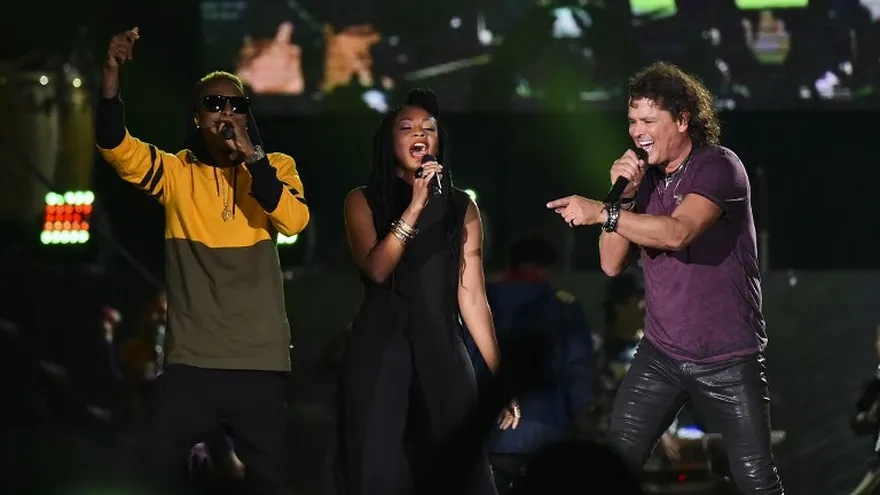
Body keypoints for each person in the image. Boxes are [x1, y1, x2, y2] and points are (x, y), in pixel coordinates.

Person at [546, 61, 784, 493]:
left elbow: (677, 233)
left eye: (649, 121)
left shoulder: (718, 166)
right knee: (613, 468)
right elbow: (611, 264)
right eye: (632, 121)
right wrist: (623, 198)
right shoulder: (644, 180)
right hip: (662, 355)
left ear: (682, 119)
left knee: (756, 481)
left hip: (729, 357)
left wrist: (602, 213)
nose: (638, 132)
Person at [96, 27, 310, 494]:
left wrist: (253, 159)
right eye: (215, 104)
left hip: (258, 364)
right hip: (192, 365)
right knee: (156, 472)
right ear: (197, 118)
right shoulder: (178, 174)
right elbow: (115, 147)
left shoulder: (276, 166)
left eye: (237, 105)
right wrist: (111, 74)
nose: (227, 113)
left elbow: (294, 220)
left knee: (269, 481)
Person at [324, 88, 518, 495]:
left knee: (459, 472)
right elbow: (377, 269)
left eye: (428, 128)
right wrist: (414, 206)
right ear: (388, 141)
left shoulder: (462, 207)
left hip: (442, 352)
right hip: (381, 350)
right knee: (379, 472)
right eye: (407, 127)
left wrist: (500, 377)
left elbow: (472, 296)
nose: (420, 134)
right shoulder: (362, 200)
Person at [463, 234, 595, 495]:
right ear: (546, 268)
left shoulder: (479, 303)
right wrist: (581, 416)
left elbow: (464, 359)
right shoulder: (562, 307)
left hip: (488, 433)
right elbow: (578, 368)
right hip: (547, 433)